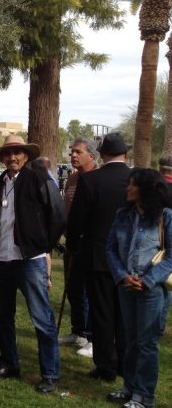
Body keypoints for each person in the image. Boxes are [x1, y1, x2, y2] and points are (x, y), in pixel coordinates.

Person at [0, 135, 65, 394]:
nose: (12, 157)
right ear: (2, 158)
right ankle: (9, 363)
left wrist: (44, 245)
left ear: (26, 156)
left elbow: (58, 215)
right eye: (7, 153)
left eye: (17, 152)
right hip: (0, 259)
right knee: (3, 318)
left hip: (30, 260)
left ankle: (50, 374)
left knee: (42, 319)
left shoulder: (38, 179)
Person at [104, 168, 172, 408]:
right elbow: (110, 249)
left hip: (152, 291)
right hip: (126, 287)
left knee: (146, 343)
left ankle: (144, 396)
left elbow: (171, 255)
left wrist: (148, 280)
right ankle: (129, 387)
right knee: (130, 340)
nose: (128, 189)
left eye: (133, 185)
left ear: (146, 188)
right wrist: (122, 277)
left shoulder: (165, 217)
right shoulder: (122, 214)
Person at [67, 131, 132, 382]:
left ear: (102, 154)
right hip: (128, 257)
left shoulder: (92, 180)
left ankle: (106, 366)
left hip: (98, 256)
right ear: (125, 153)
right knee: (124, 314)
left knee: (102, 313)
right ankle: (125, 363)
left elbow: (77, 220)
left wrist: (72, 245)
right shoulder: (135, 178)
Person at [61, 137, 98, 357]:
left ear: (91, 156)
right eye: (72, 152)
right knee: (73, 289)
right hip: (72, 243)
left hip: (91, 245)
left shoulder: (97, 179)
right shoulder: (71, 180)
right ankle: (79, 331)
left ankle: (93, 337)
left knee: (91, 292)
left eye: (78, 152)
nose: (73, 155)